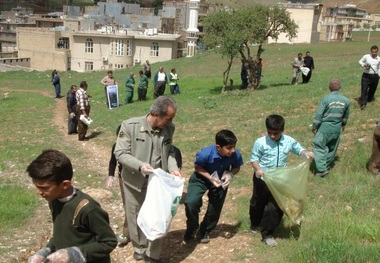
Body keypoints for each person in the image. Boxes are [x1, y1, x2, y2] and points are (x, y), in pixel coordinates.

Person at [114, 96, 182, 263]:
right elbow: (120, 153)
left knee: (158, 216)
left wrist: (173, 168)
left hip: (158, 183)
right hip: (134, 181)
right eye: (168, 118)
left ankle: (153, 254)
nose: (170, 121)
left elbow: (170, 151)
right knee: (135, 217)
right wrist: (140, 165)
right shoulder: (130, 126)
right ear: (156, 114)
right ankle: (139, 248)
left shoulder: (168, 129)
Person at [26, 149, 117, 263]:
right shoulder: (54, 200)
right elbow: (62, 234)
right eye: (37, 186)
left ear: (65, 184)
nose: (38, 192)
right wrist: (47, 250)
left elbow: (109, 242)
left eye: (43, 188)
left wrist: (74, 254)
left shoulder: (87, 208)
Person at [249, 114, 314, 247]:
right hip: (262, 179)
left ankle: (267, 233)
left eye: (276, 133)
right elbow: (254, 159)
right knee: (258, 202)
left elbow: (299, 149)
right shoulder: (260, 142)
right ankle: (255, 223)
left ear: (282, 130)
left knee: (275, 206)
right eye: (270, 133)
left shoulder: (288, 141)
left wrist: (306, 154)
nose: (272, 136)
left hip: (280, 179)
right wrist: (258, 169)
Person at [183, 130, 243, 244]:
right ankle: (192, 228)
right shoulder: (205, 154)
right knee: (191, 202)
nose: (233, 150)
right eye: (229, 148)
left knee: (215, 207)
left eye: (234, 147)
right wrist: (210, 178)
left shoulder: (235, 154)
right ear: (218, 147)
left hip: (220, 180)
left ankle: (205, 230)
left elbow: (237, 167)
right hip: (201, 178)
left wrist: (230, 174)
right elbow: (198, 168)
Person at [312, 79, 350, 177]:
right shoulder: (346, 100)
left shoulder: (326, 99)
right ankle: (327, 166)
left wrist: (315, 126)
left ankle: (321, 169)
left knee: (318, 145)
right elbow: (346, 116)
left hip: (325, 127)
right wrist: (343, 125)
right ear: (339, 87)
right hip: (337, 128)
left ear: (329, 87)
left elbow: (319, 114)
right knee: (332, 148)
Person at [107, 125, 130, 246]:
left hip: (139, 178)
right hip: (124, 178)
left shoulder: (136, 146)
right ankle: (127, 233)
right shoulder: (116, 146)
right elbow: (112, 161)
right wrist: (111, 176)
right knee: (128, 205)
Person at [358, 45, 380, 110]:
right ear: (371, 51)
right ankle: (363, 104)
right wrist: (364, 64)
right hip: (366, 75)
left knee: (372, 90)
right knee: (364, 89)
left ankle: (369, 99)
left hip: (375, 76)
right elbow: (360, 61)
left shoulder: (379, 59)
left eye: (375, 52)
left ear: (377, 52)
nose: (374, 53)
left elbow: (379, 68)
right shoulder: (366, 56)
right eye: (373, 52)